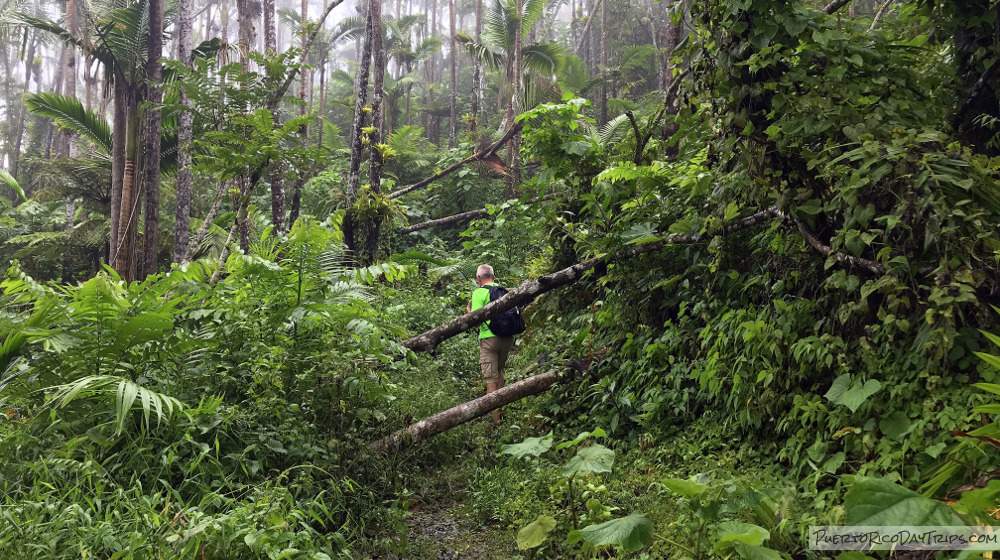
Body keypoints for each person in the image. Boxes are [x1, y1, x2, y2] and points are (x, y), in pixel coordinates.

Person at [466, 264, 514, 423]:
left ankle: (496, 423)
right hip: (507, 338)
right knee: (499, 371)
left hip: (489, 339)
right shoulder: (503, 290)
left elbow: (474, 320)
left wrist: (468, 312)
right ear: (493, 276)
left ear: (479, 278)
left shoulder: (479, 293)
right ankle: (502, 409)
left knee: (490, 380)